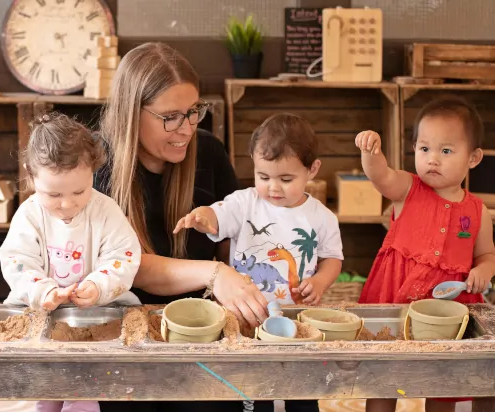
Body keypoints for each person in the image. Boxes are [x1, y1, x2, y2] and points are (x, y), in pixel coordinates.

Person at [93, 42, 268, 412]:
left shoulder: (209, 153)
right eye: (170, 117)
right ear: (131, 113)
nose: (186, 128)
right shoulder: (97, 167)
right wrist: (215, 274)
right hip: (128, 341)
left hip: (202, 333)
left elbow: (234, 245)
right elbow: (135, 266)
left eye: (193, 112)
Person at [174, 113, 343, 412]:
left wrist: (319, 281)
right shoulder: (245, 202)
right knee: (254, 388)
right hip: (246, 319)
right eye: (263, 177)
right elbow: (219, 215)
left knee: (301, 390)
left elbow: (332, 259)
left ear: (312, 169)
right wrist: (203, 216)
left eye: (286, 179)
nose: (273, 187)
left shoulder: (321, 217)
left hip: (298, 319)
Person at [356, 97, 495, 412]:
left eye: (446, 151)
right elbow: (380, 175)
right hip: (394, 301)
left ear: (473, 158)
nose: (433, 159)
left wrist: (484, 270)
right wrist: (371, 153)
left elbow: (487, 253)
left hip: (448, 310)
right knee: (384, 379)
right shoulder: (408, 189)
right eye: (424, 149)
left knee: (441, 381)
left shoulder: (477, 210)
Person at [0, 113, 142, 412]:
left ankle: (82, 402)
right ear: (31, 175)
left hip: (97, 314)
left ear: (92, 171)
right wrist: (42, 290)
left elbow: (123, 255)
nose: (67, 203)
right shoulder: (29, 215)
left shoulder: (105, 210)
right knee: (48, 385)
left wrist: (98, 284)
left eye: (79, 191)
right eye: (53, 194)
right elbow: (17, 260)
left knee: (85, 384)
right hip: (43, 314)